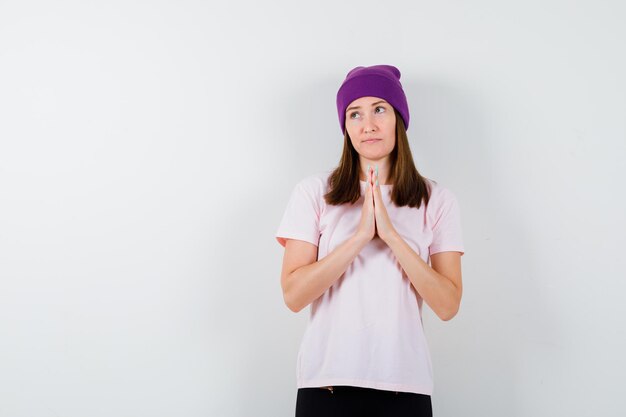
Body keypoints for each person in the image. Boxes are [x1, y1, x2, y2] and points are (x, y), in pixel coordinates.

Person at [275, 64, 465, 417]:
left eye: (380, 109)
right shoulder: (315, 193)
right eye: (354, 114)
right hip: (326, 387)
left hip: (404, 389)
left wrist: (391, 236)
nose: (368, 125)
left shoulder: (436, 200)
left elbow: (447, 304)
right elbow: (294, 295)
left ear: (399, 119)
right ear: (345, 127)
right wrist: (361, 236)